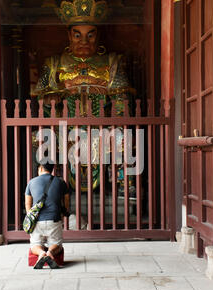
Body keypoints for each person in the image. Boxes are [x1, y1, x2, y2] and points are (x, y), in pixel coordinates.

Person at [31, 0, 135, 193]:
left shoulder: (112, 61)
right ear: (69, 35)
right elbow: (40, 96)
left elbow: (122, 96)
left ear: (98, 35)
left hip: (101, 123)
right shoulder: (54, 62)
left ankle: (121, 185)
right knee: (41, 139)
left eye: (90, 35)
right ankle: (53, 187)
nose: (84, 41)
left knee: (124, 138)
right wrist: (61, 92)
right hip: (65, 124)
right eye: (78, 35)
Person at [25, 163, 70, 269]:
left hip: (37, 221)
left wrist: (30, 218)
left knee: (34, 245)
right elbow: (66, 201)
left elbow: (28, 203)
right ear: (52, 169)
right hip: (54, 219)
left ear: (40, 168)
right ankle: (50, 252)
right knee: (57, 244)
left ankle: (40, 253)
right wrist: (63, 214)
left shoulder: (31, 182)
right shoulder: (61, 182)